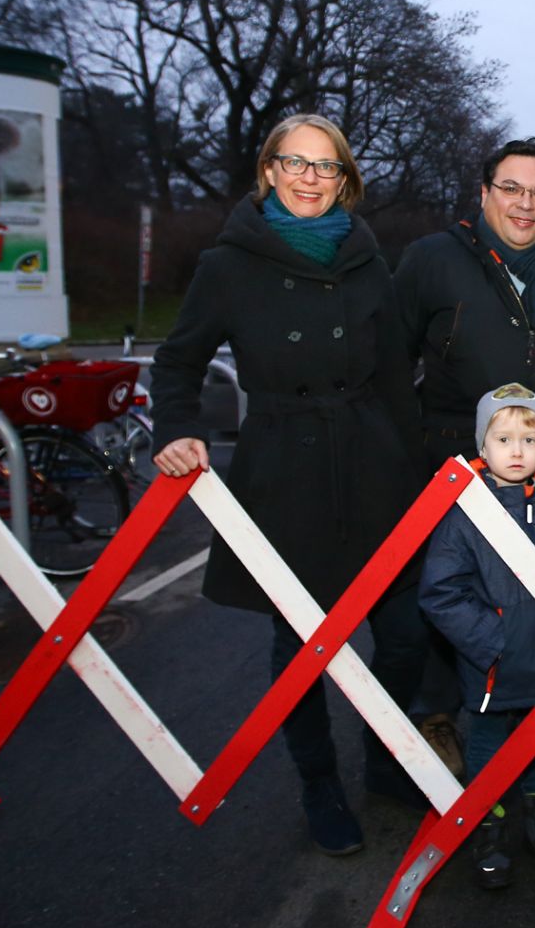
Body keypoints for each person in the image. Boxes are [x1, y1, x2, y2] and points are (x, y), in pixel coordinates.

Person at [151, 114, 427, 857]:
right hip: (284, 464)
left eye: (326, 166)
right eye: (294, 162)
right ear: (269, 170)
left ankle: (383, 757)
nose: (310, 177)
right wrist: (176, 428)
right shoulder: (228, 263)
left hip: (373, 461)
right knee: (300, 646)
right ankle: (318, 783)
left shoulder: (370, 260)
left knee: (404, 635)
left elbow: (397, 375)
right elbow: (177, 362)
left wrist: (423, 472)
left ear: (346, 180)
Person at [419, 385, 535, 889]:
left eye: (529, 438)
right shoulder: (463, 514)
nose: (516, 450)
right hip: (492, 665)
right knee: (488, 742)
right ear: (483, 445)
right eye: (503, 438)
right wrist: (492, 641)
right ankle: (488, 824)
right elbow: (441, 593)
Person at [396, 137, 535, 489]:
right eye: (511, 188)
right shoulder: (430, 259)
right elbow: (391, 363)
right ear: (484, 193)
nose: (525, 203)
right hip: (454, 474)